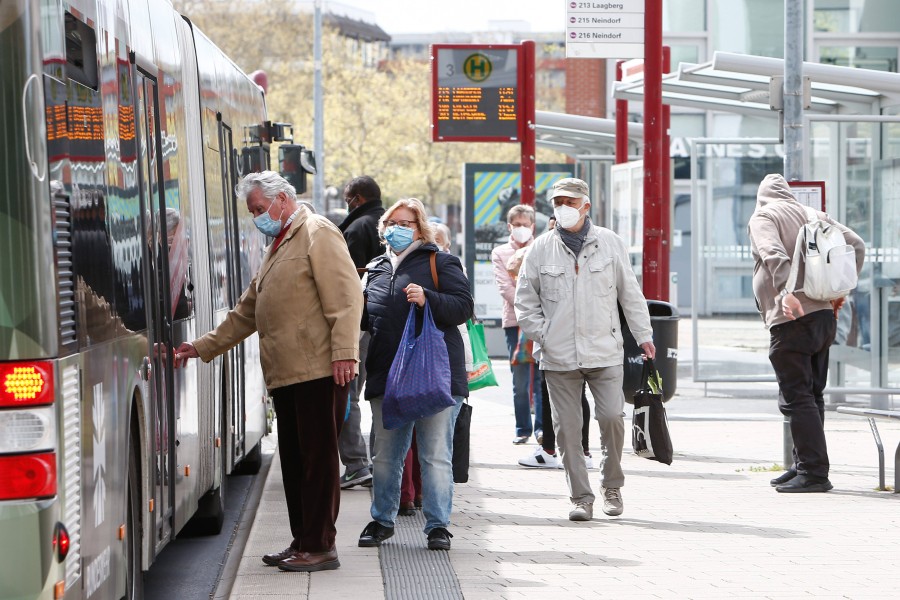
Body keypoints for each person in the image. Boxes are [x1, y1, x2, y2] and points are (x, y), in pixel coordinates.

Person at [174, 171, 362, 572]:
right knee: (295, 462)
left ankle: (320, 545)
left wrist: (345, 353)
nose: (258, 217)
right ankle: (302, 541)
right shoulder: (278, 244)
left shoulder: (317, 232)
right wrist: (201, 346)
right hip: (287, 373)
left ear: (282, 200)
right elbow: (246, 311)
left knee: (318, 461)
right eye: (253, 211)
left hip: (318, 370)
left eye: (260, 209)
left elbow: (347, 298)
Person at [515, 177, 655, 521]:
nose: (563, 207)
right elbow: (524, 300)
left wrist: (644, 334)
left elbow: (630, 293)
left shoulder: (609, 243)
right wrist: (544, 334)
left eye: (570, 201)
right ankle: (581, 496)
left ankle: (612, 485)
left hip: (604, 350)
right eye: (558, 201)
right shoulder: (540, 248)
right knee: (566, 430)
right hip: (558, 356)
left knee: (610, 417)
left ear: (585, 206)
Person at [357, 198, 474, 551]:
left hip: (434, 375)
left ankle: (438, 526)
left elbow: (464, 307)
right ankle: (381, 521)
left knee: (435, 454)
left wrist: (429, 299)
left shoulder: (441, 262)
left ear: (420, 228)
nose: (398, 228)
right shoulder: (374, 269)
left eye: (406, 223)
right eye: (393, 222)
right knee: (386, 455)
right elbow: (365, 321)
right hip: (388, 376)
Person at [748, 173, 865, 493]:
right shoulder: (815, 216)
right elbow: (856, 244)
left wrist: (788, 292)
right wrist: (838, 290)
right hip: (824, 317)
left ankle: (813, 472)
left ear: (761, 198)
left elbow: (772, 252)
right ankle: (804, 464)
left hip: (792, 317)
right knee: (812, 395)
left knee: (796, 397)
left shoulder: (764, 216)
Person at [514, 216, 593, 470]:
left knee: (578, 394)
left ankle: (584, 450)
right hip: (550, 340)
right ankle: (549, 448)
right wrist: (543, 334)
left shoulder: (585, 252)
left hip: (578, 339)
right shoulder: (541, 251)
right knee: (547, 394)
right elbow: (527, 295)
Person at [336, 175, 386, 489]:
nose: (346, 203)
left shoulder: (356, 229)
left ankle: (356, 464)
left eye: (347, 198)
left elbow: (345, 283)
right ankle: (379, 463)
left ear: (357, 197)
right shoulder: (389, 224)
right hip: (385, 322)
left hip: (358, 324)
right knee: (379, 397)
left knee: (347, 395)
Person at [491, 204, 543, 444]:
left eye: (526, 224)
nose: (522, 229)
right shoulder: (500, 253)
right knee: (520, 379)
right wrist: (526, 308)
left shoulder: (541, 249)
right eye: (517, 224)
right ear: (510, 226)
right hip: (514, 322)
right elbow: (504, 287)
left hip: (541, 322)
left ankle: (542, 428)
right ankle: (523, 428)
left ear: (533, 226)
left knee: (542, 377)